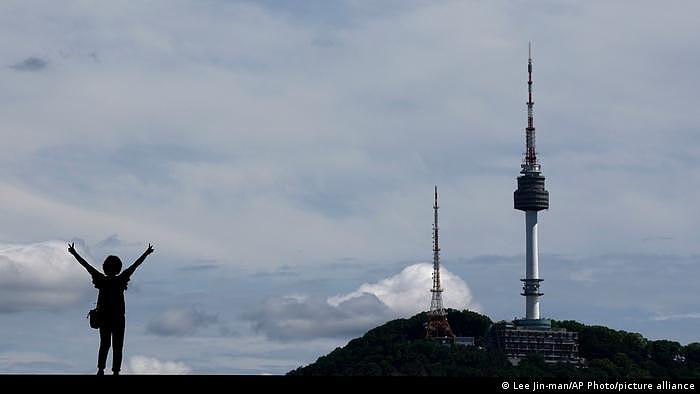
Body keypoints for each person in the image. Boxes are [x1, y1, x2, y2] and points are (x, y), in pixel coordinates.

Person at [68, 242, 155, 375]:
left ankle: (101, 369)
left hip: (104, 318)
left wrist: (74, 253)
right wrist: (146, 253)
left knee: (104, 344)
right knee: (117, 346)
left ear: (105, 267)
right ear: (118, 268)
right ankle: (115, 372)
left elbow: (86, 265)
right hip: (119, 318)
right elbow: (135, 265)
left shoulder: (101, 280)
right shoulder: (121, 280)